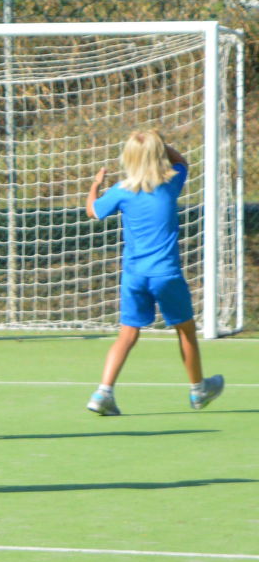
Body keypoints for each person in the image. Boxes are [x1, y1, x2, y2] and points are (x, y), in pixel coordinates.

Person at [85, 129, 225, 416]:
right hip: (166, 274)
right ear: (158, 155)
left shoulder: (121, 191)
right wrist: (161, 143)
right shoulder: (171, 183)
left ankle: (103, 393)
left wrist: (95, 185)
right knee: (185, 330)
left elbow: (92, 211)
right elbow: (183, 162)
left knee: (127, 334)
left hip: (134, 276)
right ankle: (198, 390)